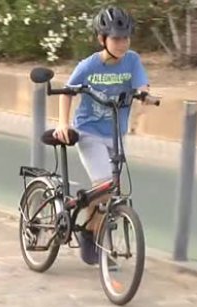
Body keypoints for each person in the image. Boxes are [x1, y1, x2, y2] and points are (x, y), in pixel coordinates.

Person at [52, 6, 152, 265]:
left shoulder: (132, 60)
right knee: (104, 186)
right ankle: (94, 238)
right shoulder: (89, 65)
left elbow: (142, 84)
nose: (122, 43)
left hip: (116, 135)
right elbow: (67, 91)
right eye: (116, 38)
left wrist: (145, 95)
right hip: (89, 133)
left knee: (111, 193)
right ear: (102, 39)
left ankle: (90, 232)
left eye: (126, 38)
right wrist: (63, 123)